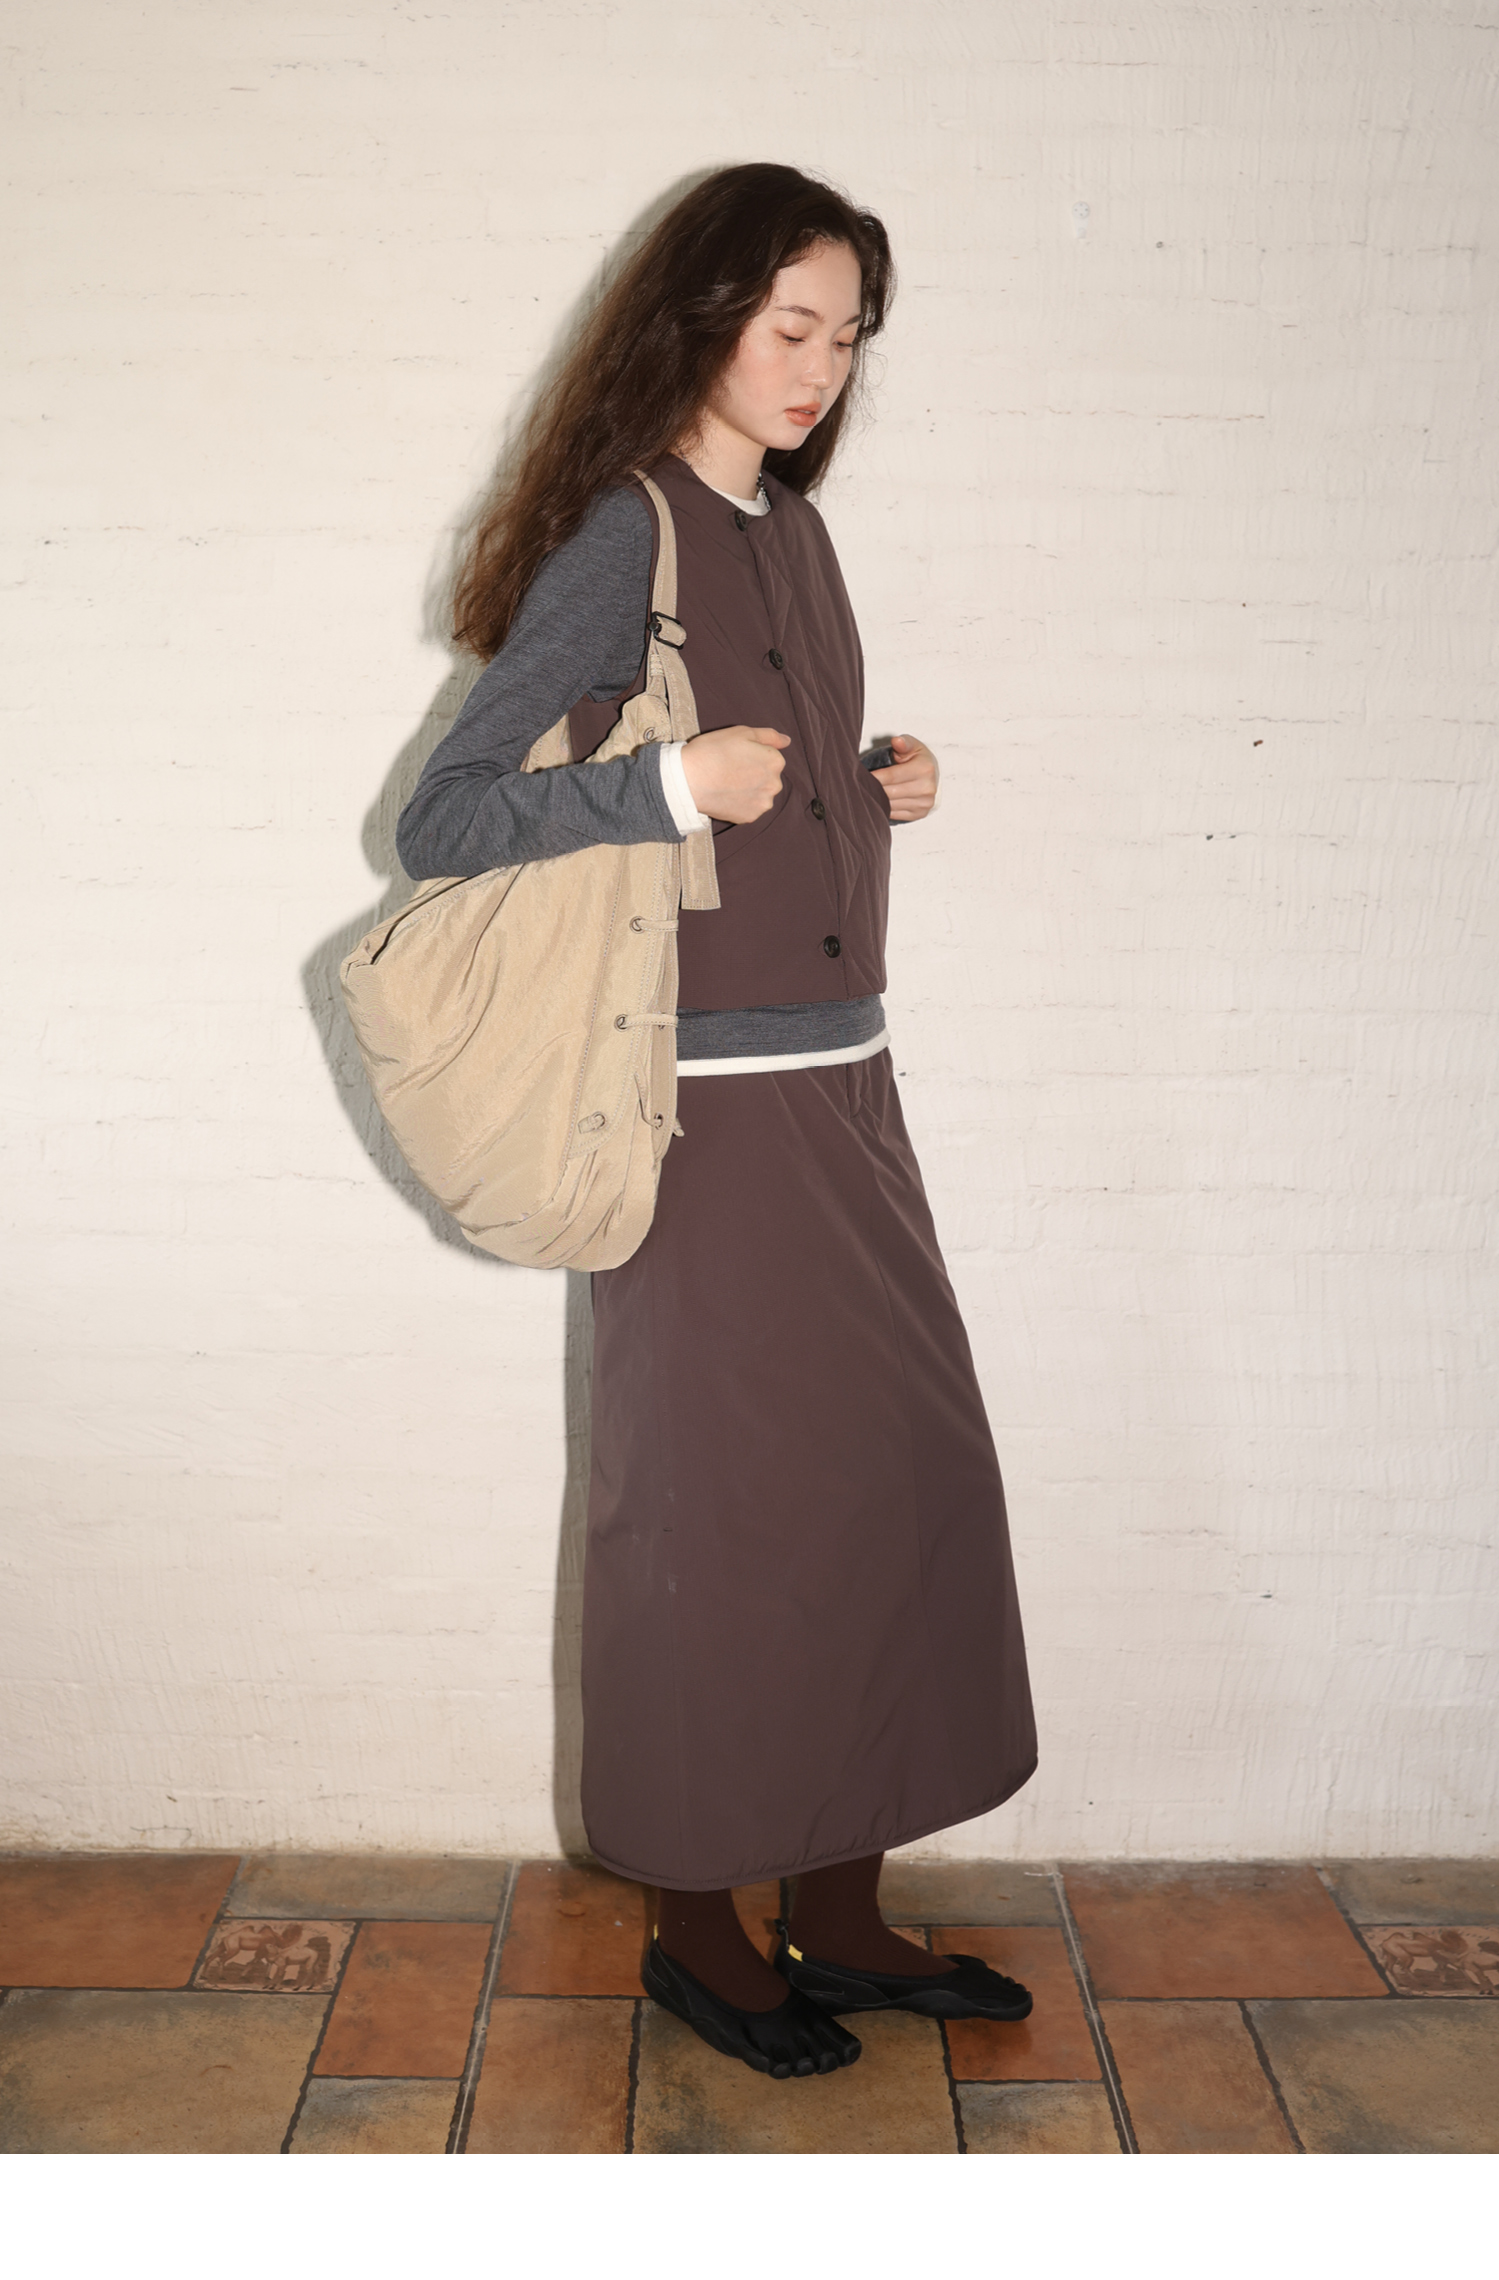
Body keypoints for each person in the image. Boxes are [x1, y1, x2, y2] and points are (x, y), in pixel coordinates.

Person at [397, 164, 1037, 2081]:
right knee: (725, 1528)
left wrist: (868, 778)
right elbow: (442, 820)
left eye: (847, 336)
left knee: (895, 1495)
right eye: (790, 326)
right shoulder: (631, 531)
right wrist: (670, 785)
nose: (821, 367)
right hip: (701, 1126)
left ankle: (839, 1915)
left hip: (848, 1088)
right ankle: (699, 1932)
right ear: (702, 319)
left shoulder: (795, 534)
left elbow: (767, 779)